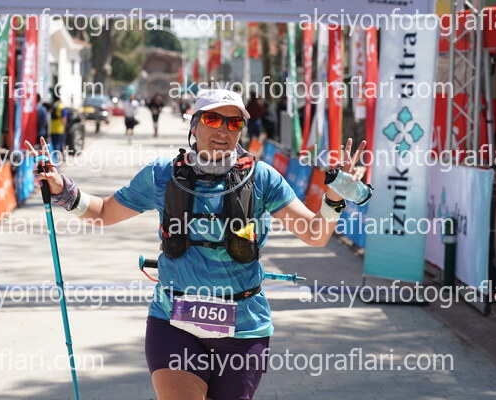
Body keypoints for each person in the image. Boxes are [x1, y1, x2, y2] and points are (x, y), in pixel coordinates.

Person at [25, 89, 367, 400]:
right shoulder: (162, 174)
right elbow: (103, 212)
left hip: (244, 328)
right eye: (213, 119)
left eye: (234, 123)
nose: (224, 130)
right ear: (194, 124)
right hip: (173, 322)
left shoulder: (262, 177)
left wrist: (334, 198)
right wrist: (63, 191)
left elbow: (314, 234)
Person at [50, 94, 67, 163]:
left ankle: (56, 157)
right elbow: (64, 118)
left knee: (54, 144)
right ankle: (56, 159)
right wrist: (64, 127)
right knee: (59, 144)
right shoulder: (62, 107)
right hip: (59, 128)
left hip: (52, 128)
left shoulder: (52, 106)